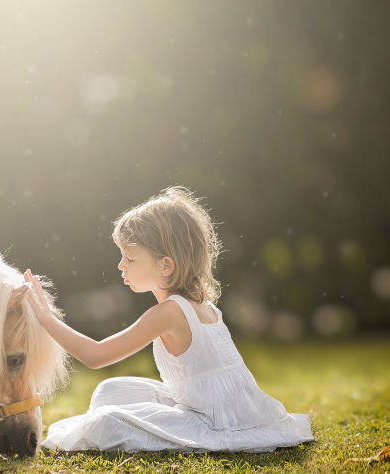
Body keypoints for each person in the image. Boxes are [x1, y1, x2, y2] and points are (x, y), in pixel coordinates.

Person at [24, 187, 313, 453]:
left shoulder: (169, 312)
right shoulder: (202, 305)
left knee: (106, 421)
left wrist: (46, 317)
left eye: (130, 259)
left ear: (166, 265)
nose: (120, 265)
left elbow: (96, 356)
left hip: (213, 421)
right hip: (214, 406)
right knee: (108, 391)